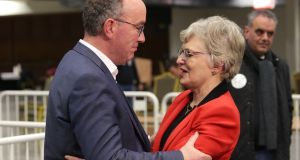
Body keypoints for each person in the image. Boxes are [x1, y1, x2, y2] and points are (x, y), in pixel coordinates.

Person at [44, 0, 203, 159]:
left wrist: (147, 140)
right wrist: (181, 157)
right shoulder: (90, 78)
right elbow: (111, 157)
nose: (142, 38)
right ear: (110, 27)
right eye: (139, 28)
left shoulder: (77, 59)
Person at [151, 16, 245, 160]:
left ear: (218, 65)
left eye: (188, 54)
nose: (179, 60)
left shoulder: (223, 113)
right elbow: (160, 146)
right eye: (181, 52)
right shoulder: (184, 98)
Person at [229, 10, 293, 160]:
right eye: (259, 32)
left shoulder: (280, 66)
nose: (265, 37)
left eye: (270, 34)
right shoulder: (233, 63)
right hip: (239, 151)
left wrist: (285, 137)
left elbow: (288, 107)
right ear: (246, 31)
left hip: (273, 151)